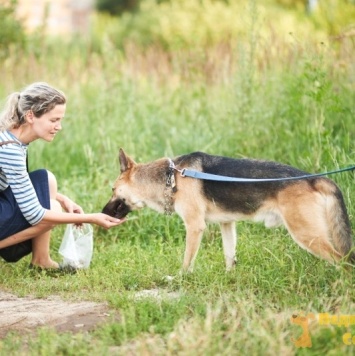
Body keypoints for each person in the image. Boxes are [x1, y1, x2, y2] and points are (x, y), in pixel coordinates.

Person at [0, 82, 124, 271]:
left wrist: (64, 199)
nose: (59, 127)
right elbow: (35, 215)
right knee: (51, 208)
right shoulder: (9, 149)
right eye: (53, 120)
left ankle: (41, 261)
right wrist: (92, 218)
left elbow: (19, 184)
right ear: (31, 115)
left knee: (46, 179)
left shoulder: (12, 136)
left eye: (60, 120)